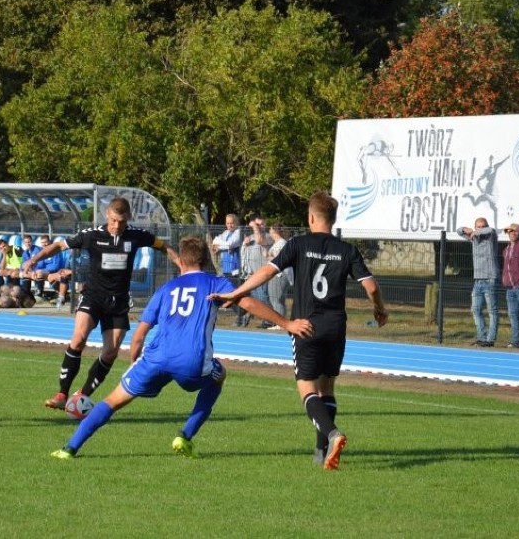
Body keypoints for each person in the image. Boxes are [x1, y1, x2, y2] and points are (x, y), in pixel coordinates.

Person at [50, 236, 313, 460]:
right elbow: (247, 304)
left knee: (113, 400)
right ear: (205, 260)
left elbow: (140, 334)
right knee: (219, 376)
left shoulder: (166, 288)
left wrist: (135, 362)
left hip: (155, 358)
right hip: (192, 362)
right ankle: (185, 436)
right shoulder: (215, 283)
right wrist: (286, 323)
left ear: (182, 261)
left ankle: (69, 448)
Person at [212, 191, 389, 471]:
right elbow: (372, 287)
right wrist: (379, 309)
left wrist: (237, 292)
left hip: (305, 326)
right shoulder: (347, 250)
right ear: (332, 219)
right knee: (327, 388)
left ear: (310, 217)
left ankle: (332, 435)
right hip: (335, 328)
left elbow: (267, 272)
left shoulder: (299, 244)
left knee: (306, 388)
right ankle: (320, 451)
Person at [23, 196, 178, 411]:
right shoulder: (92, 235)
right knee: (78, 340)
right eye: (114, 221)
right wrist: (34, 259)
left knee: (110, 352)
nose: (117, 226)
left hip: (119, 302)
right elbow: (59, 246)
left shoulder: (136, 236)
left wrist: (182, 264)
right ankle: (61, 393)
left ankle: (82, 396)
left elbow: (163, 246)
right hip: (93, 296)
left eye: (121, 222)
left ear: (128, 218)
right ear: (108, 216)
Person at [456, 217, 500, 347]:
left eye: (482, 226)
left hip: (490, 279)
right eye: (477, 227)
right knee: (475, 309)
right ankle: (481, 337)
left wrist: (478, 231)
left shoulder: (490, 237)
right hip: (478, 280)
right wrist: (466, 229)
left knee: (492, 310)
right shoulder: (473, 238)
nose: (480, 229)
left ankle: (490, 339)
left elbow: (491, 230)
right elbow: (459, 231)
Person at [211, 213, 246, 326]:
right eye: (228, 223)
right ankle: (241, 315)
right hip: (225, 268)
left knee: (235, 294)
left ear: (236, 223)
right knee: (228, 294)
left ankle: (242, 316)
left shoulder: (239, 232)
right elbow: (215, 241)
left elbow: (231, 244)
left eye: (232, 223)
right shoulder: (226, 233)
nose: (230, 225)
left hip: (235, 269)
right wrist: (224, 246)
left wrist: (222, 246)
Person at [239, 213, 273, 327]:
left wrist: (254, 227)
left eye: (261, 224)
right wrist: (244, 243)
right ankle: (262, 318)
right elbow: (244, 254)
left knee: (263, 298)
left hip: (263, 273)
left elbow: (259, 240)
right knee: (257, 300)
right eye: (257, 224)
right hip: (252, 274)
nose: (259, 226)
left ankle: (270, 320)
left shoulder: (267, 237)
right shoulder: (250, 238)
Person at [265, 222, 292, 329]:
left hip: (279, 275)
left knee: (275, 299)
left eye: (271, 229)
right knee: (277, 299)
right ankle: (281, 322)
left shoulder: (281, 243)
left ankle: (280, 323)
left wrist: (267, 256)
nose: (269, 232)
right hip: (277, 275)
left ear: (275, 231)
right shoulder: (278, 243)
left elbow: (278, 259)